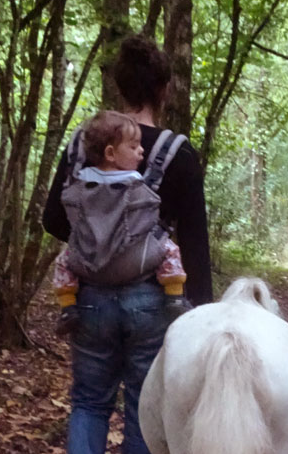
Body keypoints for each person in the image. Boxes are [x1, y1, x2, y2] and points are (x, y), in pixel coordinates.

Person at [42, 35, 212, 454]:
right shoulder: (178, 154)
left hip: (88, 298)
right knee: (142, 409)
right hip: (151, 303)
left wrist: (96, 243)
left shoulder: (85, 143)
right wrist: (201, 315)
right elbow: (196, 245)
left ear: (117, 86)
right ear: (164, 89)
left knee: (89, 401)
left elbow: (53, 218)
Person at [51, 110, 189, 337]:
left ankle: (67, 307)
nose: (141, 151)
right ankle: (174, 296)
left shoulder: (83, 179)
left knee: (64, 260)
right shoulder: (135, 181)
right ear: (111, 153)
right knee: (170, 250)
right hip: (137, 263)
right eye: (134, 147)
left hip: (89, 267)